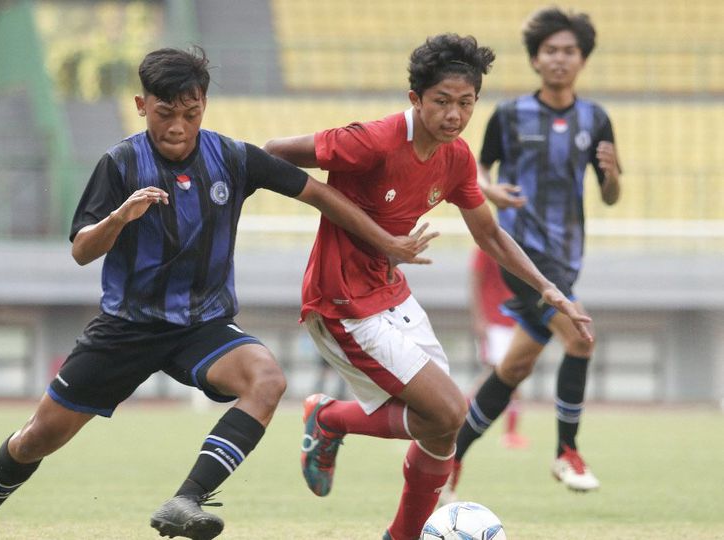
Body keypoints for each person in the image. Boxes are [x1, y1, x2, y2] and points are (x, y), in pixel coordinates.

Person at [0, 47, 434, 540]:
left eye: (190, 113)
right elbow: (81, 250)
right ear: (141, 105)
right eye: (165, 113)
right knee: (36, 438)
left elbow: (318, 193)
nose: (178, 126)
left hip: (203, 324)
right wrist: (119, 218)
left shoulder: (234, 157)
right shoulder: (119, 163)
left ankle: (186, 499)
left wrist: (386, 240)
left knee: (266, 380)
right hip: (127, 327)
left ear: (203, 105)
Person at [264, 33, 593, 540]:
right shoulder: (372, 140)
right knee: (448, 410)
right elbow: (272, 156)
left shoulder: (457, 157)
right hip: (341, 301)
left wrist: (549, 289)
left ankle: (335, 427)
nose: (454, 115)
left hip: (390, 294)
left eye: (466, 104)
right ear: (414, 98)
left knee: (444, 429)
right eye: (442, 102)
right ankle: (334, 423)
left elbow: (489, 234)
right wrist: (380, 238)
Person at [443, 7, 622, 498]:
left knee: (513, 368)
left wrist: (610, 177)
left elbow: (609, 196)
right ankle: (567, 452)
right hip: (520, 256)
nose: (559, 59)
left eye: (569, 51)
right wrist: (491, 193)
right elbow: (473, 171)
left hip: (566, 259)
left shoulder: (596, 118)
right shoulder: (509, 115)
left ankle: (448, 456)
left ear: (582, 59)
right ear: (536, 59)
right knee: (582, 337)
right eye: (551, 51)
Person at [468, 247, 527, 451]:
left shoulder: (520, 242)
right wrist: (479, 318)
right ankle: (455, 417)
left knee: (511, 376)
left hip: (514, 321)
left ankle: (510, 433)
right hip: (494, 321)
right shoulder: (486, 244)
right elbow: (475, 280)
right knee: (496, 376)